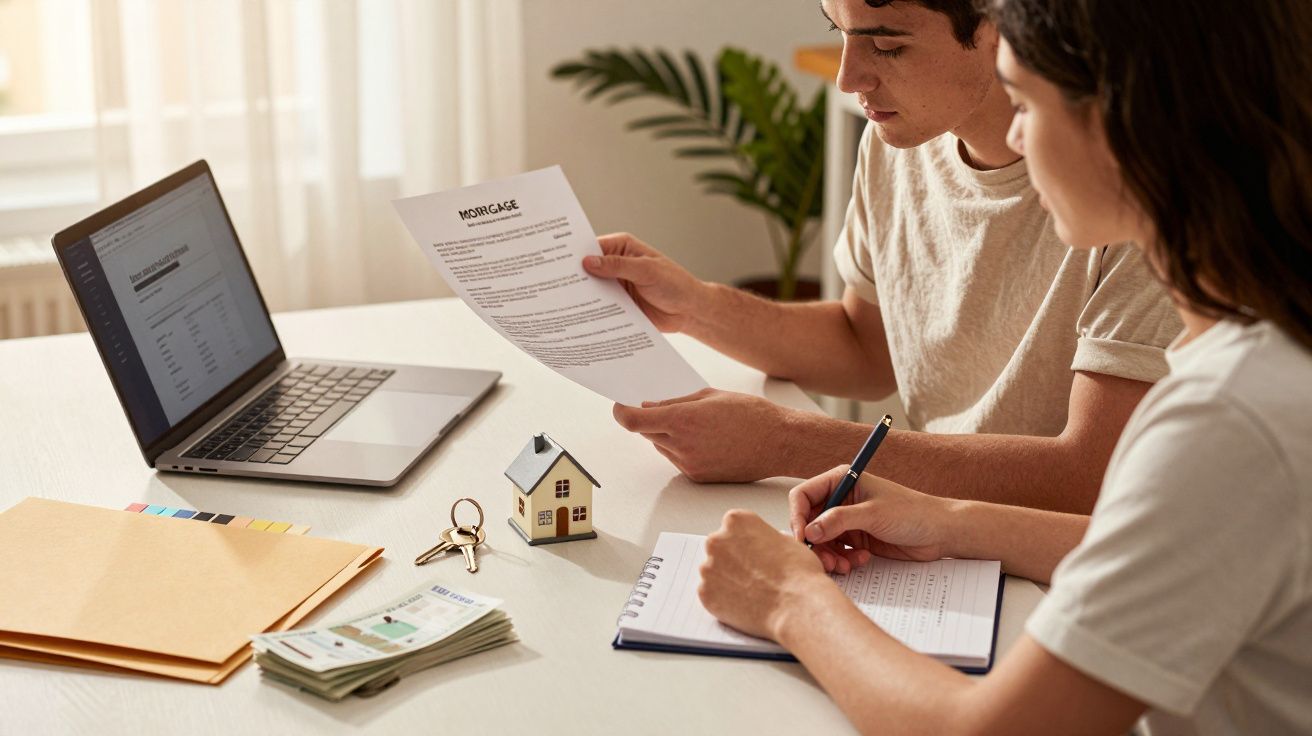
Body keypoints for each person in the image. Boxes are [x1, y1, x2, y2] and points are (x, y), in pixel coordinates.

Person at [696, 0, 1312, 732]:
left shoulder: (1227, 419)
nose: (1013, 133)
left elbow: (986, 730)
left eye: (1023, 102)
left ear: (1129, 123)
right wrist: (951, 521)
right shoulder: (1262, 350)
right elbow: (1181, 542)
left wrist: (789, 600)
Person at [584, 0, 1181, 513]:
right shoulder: (899, 142)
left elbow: (1090, 479)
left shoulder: (1130, 194)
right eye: (836, 32)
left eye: (887, 46)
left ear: (1003, 25)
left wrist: (788, 443)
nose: (847, 78)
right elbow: (867, 348)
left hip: (1062, 571)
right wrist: (694, 305)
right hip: (939, 536)